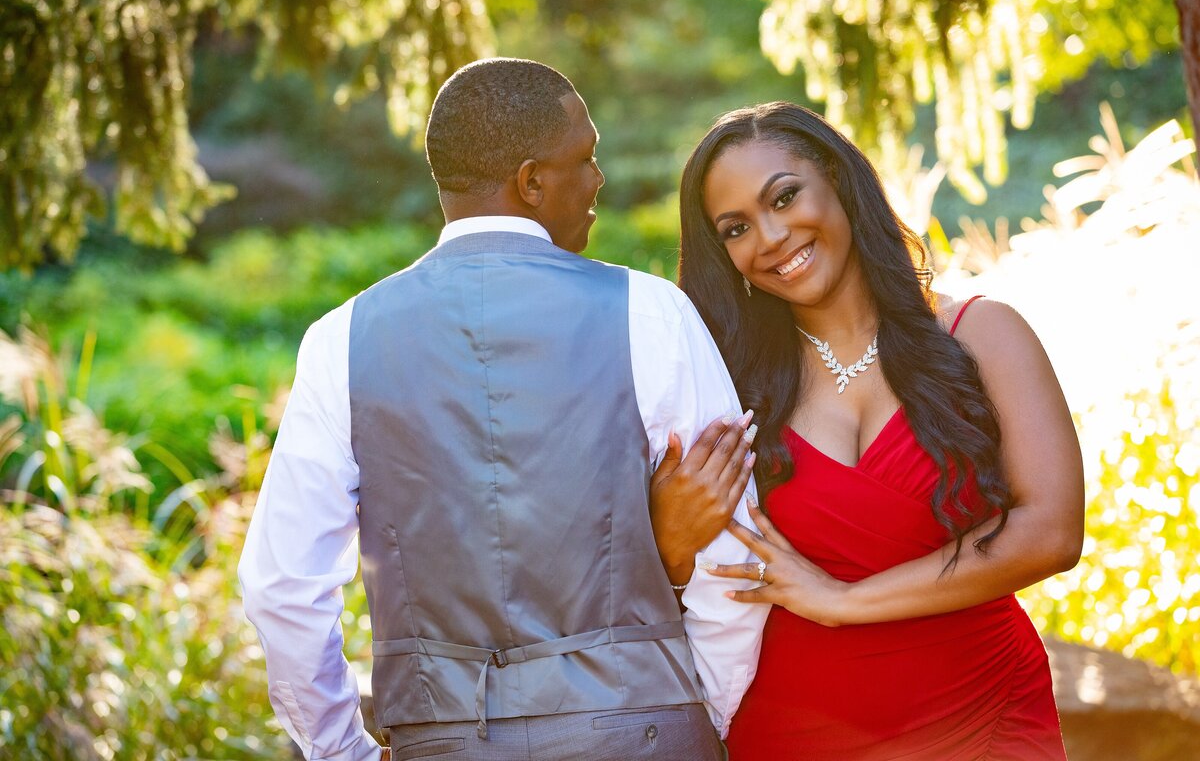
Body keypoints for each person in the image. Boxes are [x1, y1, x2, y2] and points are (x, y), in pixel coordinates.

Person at [237, 58, 770, 761]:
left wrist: (343, 752)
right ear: (531, 182)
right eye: (586, 158)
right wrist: (701, 714)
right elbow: (734, 556)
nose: (598, 180)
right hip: (646, 731)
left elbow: (281, 588)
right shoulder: (651, 313)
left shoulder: (342, 339)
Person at [652, 101, 1085, 759]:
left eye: (785, 196)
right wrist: (669, 540)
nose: (769, 237)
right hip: (795, 729)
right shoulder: (725, 389)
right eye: (736, 228)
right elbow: (667, 570)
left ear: (836, 176)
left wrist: (843, 600)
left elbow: (1051, 533)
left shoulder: (983, 333)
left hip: (986, 710)